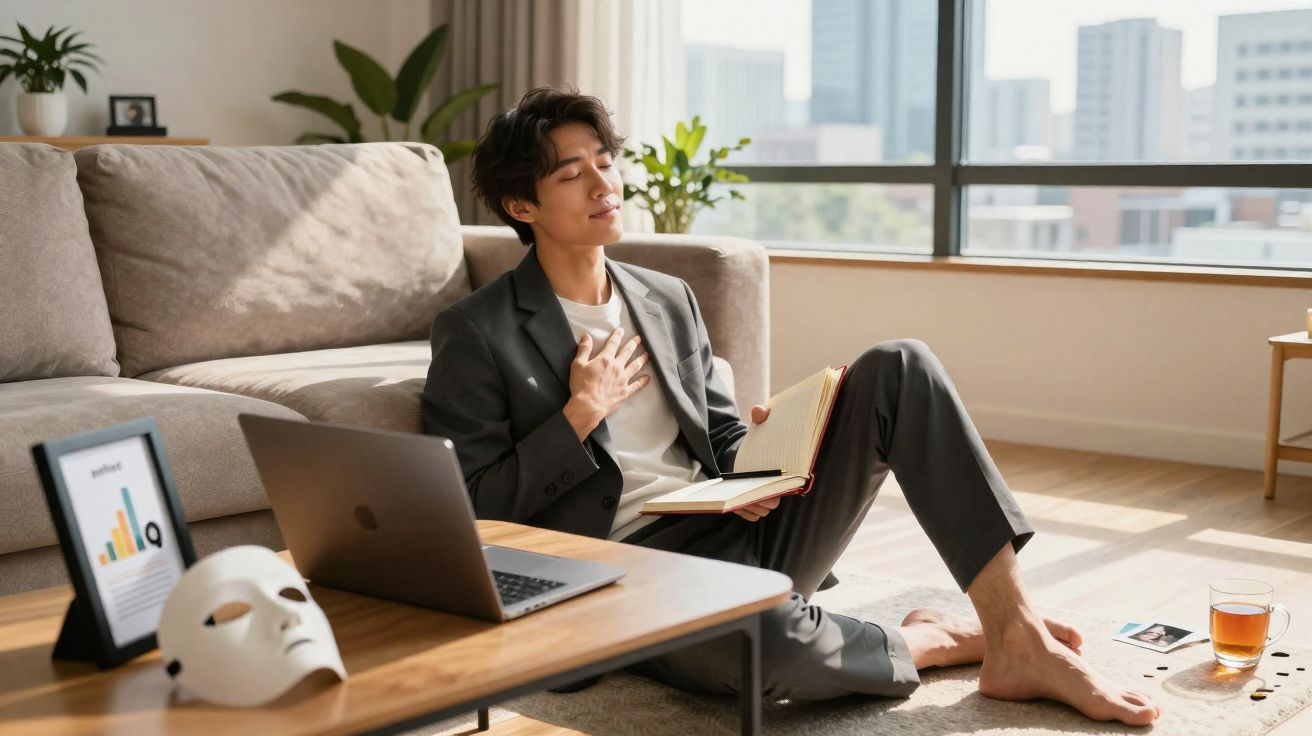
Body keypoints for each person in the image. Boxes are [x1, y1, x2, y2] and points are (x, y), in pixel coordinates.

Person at [421, 86, 1160, 726]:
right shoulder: (477, 331)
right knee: (764, 645)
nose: (601, 184)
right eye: (571, 173)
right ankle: (941, 641)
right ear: (522, 204)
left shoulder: (666, 297)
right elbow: (474, 512)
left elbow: (717, 433)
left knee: (901, 365)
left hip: (730, 527)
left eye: (605, 163)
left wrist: (766, 457)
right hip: (622, 570)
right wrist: (580, 415)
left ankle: (1015, 632)